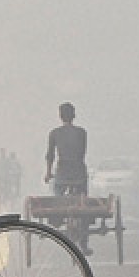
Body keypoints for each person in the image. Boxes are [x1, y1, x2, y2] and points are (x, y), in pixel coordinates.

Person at [44, 102, 90, 254]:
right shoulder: (82, 132)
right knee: (84, 204)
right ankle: (84, 243)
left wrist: (48, 173)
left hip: (62, 173)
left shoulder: (54, 133)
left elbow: (50, 155)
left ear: (60, 116)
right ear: (74, 115)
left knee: (57, 195)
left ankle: (57, 217)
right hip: (79, 173)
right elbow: (82, 153)